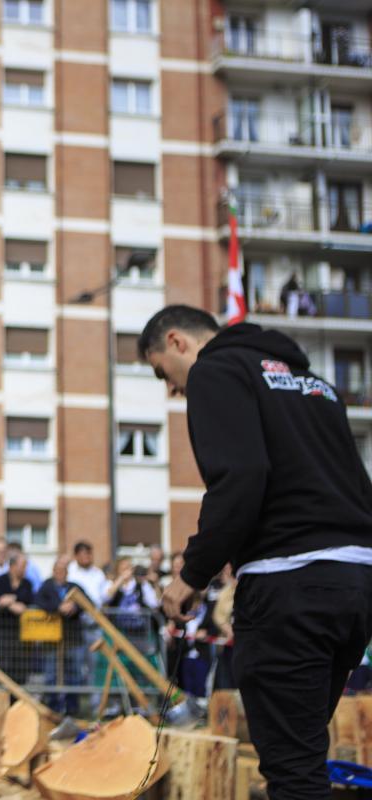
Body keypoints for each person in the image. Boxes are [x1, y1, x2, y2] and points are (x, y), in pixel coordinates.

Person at [142, 304, 372, 799]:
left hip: (289, 582)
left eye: (163, 373)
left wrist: (192, 574)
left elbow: (240, 478)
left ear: (178, 341)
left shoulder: (215, 371)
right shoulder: (314, 384)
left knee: (293, 770)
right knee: (303, 751)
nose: (173, 389)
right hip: (355, 580)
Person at [36, 556, 87, 715]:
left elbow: (87, 603)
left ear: (67, 573)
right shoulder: (46, 586)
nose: (60, 574)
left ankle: (72, 708)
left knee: (73, 674)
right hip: (51, 639)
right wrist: (58, 607)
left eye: (63, 571)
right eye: (57, 571)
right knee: (51, 674)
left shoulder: (74, 587)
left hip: (73, 638)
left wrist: (74, 607)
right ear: (53, 572)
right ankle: (53, 707)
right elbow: (39, 602)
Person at [0, 553, 35, 685]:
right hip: (2, 631)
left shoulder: (27, 583)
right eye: (22, 566)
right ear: (12, 566)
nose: (25, 569)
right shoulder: (0, 580)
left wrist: (10, 600)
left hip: (21, 632)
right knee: (2, 664)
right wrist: (13, 604)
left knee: (20, 666)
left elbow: (28, 599)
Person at [66, 541, 109, 607]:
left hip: (96, 611)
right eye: (84, 554)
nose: (87, 557)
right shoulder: (68, 572)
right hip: (76, 612)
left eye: (89, 553)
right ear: (76, 555)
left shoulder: (98, 573)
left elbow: (105, 595)